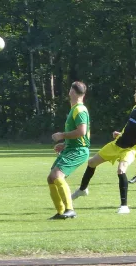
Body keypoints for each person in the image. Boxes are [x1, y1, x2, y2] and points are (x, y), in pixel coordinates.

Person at [71, 84, 136, 214]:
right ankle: (82, 189)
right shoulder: (135, 108)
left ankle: (124, 206)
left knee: (121, 170)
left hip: (131, 149)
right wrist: (120, 134)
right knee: (92, 162)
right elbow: (131, 128)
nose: (134, 95)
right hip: (117, 144)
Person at [47, 81, 90, 220]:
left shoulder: (79, 109)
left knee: (57, 176)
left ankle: (70, 209)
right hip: (71, 148)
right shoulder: (75, 109)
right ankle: (60, 212)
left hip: (78, 150)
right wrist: (65, 144)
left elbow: (82, 131)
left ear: (72, 92)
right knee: (51, 178)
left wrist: (62, 135)